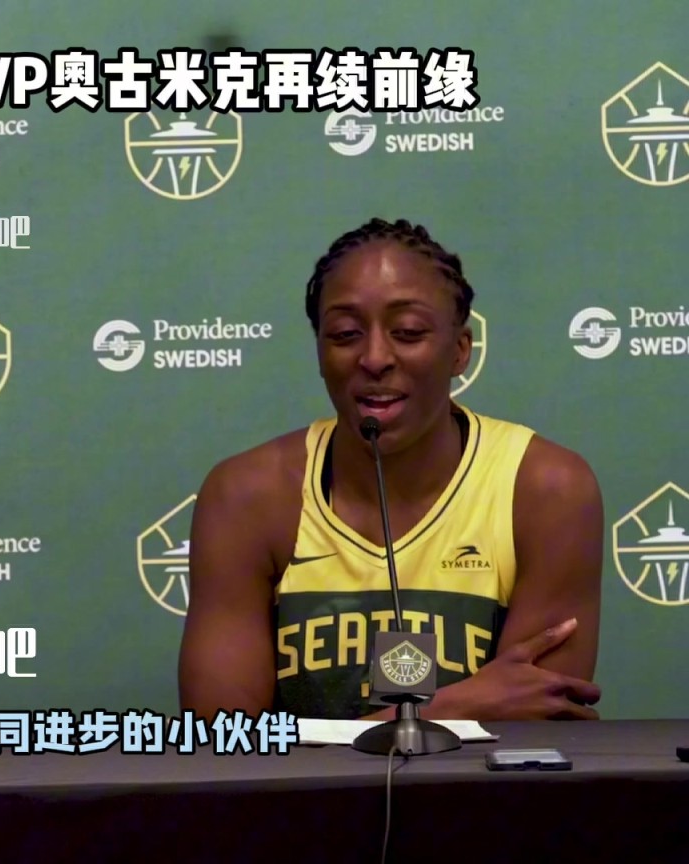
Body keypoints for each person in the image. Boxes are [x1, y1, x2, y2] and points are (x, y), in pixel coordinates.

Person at [178, 217, 603, 723]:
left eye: (408, 333)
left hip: (461, 790)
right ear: (320, 352)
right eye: (345, 334)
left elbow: (536, 731)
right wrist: (451, 708)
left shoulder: (545, 490)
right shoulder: (247, 497)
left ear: (460, 351)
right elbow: (223, 745)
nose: (375, 358)